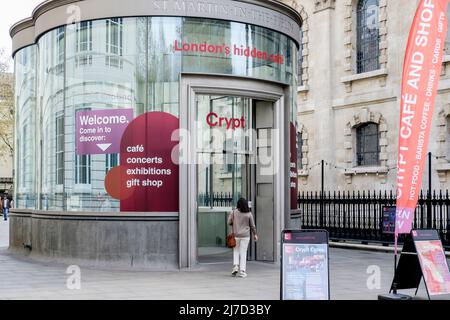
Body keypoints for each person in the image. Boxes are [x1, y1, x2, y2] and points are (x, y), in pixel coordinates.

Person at [228, 198, 258, 278]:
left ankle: (235, 266)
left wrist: (234, 222)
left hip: (236, 235)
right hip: (245, 236)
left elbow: (229, 222)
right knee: (243, 252)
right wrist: (255, 234)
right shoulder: (249, 214)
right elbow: (252, 226)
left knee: (236, 251)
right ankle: (242, 271)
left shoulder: (234, 212)